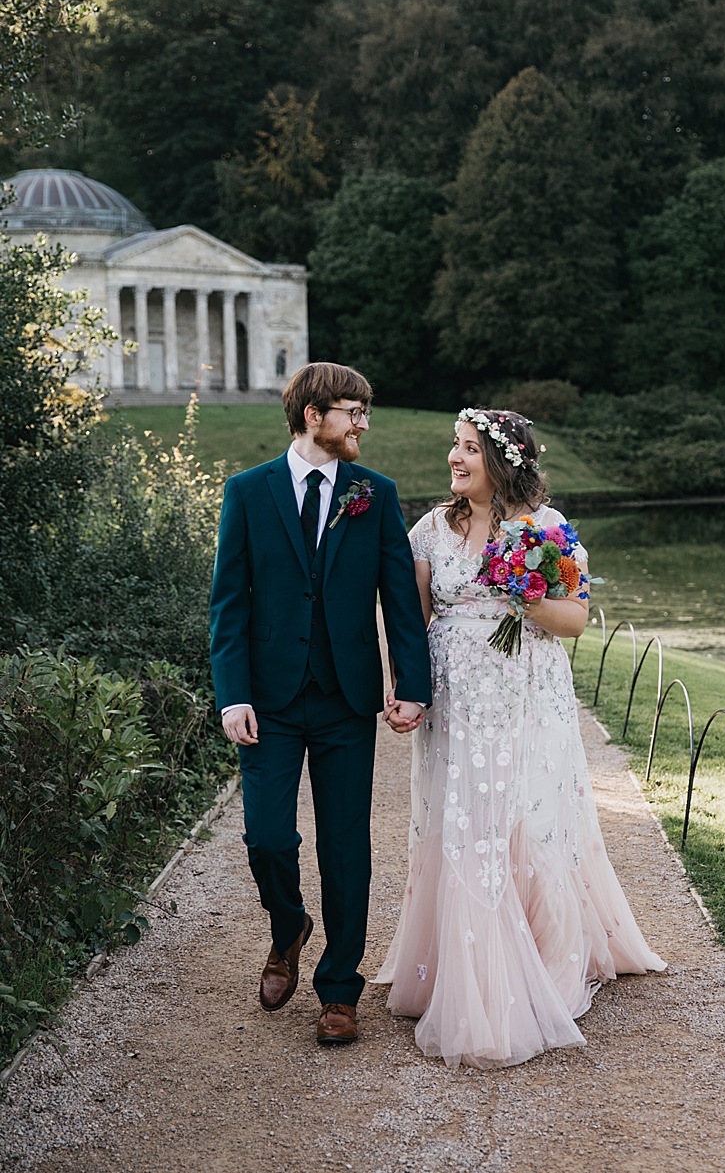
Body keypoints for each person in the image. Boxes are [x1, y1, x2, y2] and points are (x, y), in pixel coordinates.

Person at [376, 409, 665, 1068]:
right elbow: (411, 621)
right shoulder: (430, 529)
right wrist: (405, 689)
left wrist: (521, 592)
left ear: (504, 461)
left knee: (529, 826)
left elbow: (575, 619)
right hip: (456, 705)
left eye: (470, 448)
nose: (455, 456)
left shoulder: (547, 529)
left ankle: (540, 962)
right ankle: (461, 970)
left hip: (528, 702)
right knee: (463, 827)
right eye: (456, 445)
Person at [209, 362, 431, 1047]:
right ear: (313, 414)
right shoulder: (247, 493)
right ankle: (288, 926)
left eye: (365, 411)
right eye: (352, 410)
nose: (363, 422)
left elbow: (399, 598)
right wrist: (233, 694)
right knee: (266, 837)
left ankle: (339, 990)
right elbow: (228, 604)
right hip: (268, 701)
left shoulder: (373, 493)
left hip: (344, 697)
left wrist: (411, 684)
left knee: (345, 847)